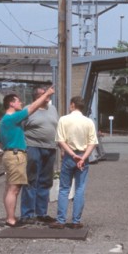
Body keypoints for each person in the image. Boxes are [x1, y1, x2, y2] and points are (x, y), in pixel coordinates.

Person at [0, 86, 56, 227]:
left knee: (12, 187)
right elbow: (32, 108)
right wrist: (47, 93)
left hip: (17, 152)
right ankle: (14, 218)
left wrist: (8, 148)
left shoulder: (8, 119)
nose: (21, 103)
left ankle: (14, 217)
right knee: (15, 188)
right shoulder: (13, 117)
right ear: (11, 103)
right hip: (18, 153)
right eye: (18, 101)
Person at [51, 96, 98, 229]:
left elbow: (60, 140)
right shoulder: (88, 122)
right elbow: (92, 142)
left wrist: (72, 154)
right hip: (83, 157)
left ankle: (61, 221)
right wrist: (82, 158)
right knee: (80, 189)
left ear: (72, 105)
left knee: (64, 189)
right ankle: (76, 221)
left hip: (69, 157)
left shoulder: (64, 120)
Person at [21, 86, 59, 224]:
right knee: (31, 180)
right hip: (33, 147)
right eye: (44, 94)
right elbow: (20, 128)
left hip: (50, 148)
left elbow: (57, 127)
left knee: (45, 181)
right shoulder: (28, 109)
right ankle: (27, 214)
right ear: (37, 97)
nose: (48, 96)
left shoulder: (52, 109)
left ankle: (41, 213)